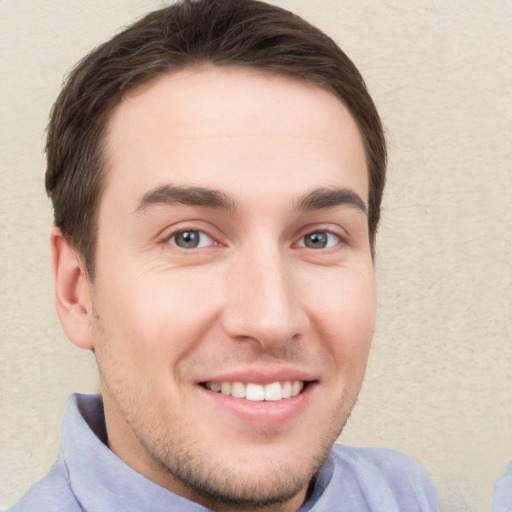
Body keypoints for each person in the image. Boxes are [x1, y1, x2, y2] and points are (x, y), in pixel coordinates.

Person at [7, 0, 440, 510]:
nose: (271, 318)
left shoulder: (400, 493)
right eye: (188, 237)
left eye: (318, 238)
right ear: (76, 290)